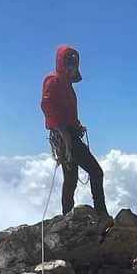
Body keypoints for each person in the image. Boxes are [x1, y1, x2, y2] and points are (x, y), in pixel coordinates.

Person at [40, 44, 108, 217]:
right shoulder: (54, 80)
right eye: (70, 64)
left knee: (71, 179)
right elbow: (47, 105)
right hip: (65, 136)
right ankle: (100, 212)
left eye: (74, 65)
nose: (72, 68)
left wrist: (75, 125)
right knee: (96, 172)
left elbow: (63, 111)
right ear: (64, 64)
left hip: (66, 134)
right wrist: (64, 131)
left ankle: (67, 216)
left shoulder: (64, 84)